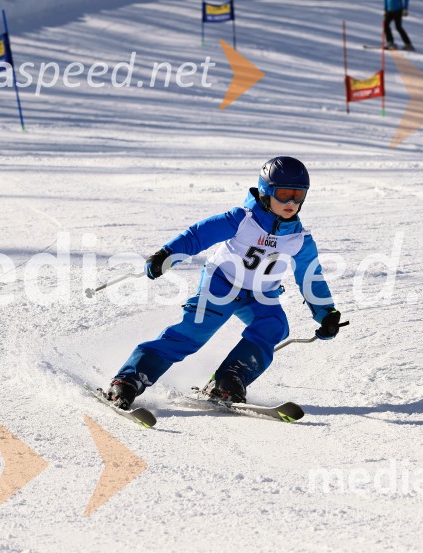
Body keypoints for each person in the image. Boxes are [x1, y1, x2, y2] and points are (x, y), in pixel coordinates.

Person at [104, 156, 342, 409]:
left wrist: (326, 313)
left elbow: (310, 278)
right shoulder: (242, 219)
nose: (291, 202)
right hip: (221, 286)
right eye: (284, 194)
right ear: (265, 192)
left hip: (261, 295)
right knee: (193, 333)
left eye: (298, 195)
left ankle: (230, 379)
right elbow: (198, 235)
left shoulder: (300, 239)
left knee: (274, 327)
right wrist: (167, 255)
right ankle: (129, 380)